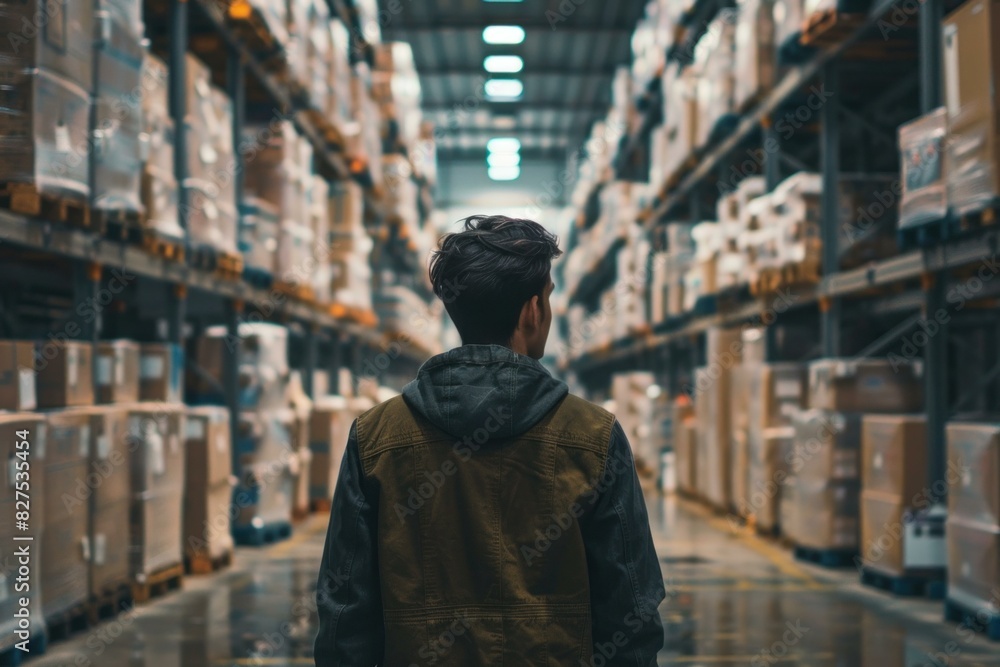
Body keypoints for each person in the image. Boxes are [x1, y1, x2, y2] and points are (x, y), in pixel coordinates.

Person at [314, 215, 665, 666]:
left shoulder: (376, 437)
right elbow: (630, 612)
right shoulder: (593, 436)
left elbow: (345, 615)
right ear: (532, 311)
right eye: (549, 298)